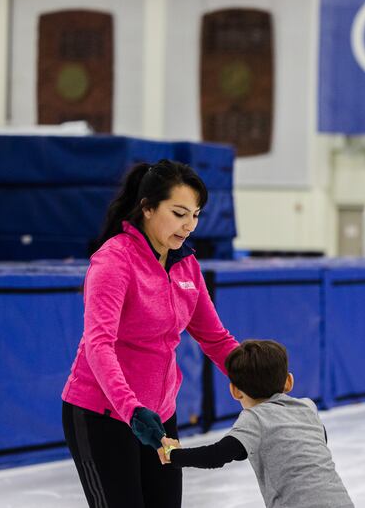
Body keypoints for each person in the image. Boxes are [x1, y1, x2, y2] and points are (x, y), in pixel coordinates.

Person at [61, 159, 239, 508]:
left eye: (196, 215)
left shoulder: (185, 262)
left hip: (158, 416)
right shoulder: (114, 261)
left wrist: (261, 384)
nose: (189, 225)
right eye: (178, 213)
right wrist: (132, 409)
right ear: (147, 208)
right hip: (104, 414)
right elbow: (99, 344)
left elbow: (215, 337)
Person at [162, 340, 354, 508]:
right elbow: (315, 442)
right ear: (289, 381)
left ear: (235, 391)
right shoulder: (307, 406)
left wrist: (174, 454)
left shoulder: (254, 419)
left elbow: (216, 455)